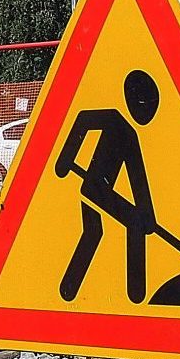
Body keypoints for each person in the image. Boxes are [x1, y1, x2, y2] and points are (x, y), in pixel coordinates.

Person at [55, 70, 162, 302]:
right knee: (132, 223)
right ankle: (136, 294)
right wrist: (64, 159)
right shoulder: (113, 118)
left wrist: (149, 214)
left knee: (93, 232)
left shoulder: (130, 135)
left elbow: (138, 179)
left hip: (99, 190)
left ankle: (67, 290)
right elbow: (82, 120)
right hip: (95, 188)